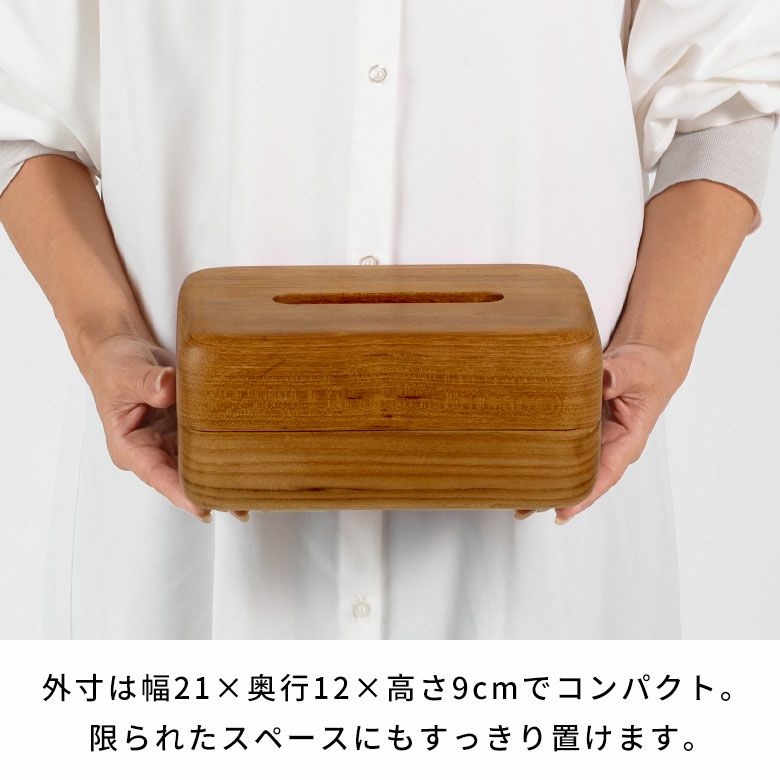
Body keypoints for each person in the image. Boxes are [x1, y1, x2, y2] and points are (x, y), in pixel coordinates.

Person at [0, 1, 778, 639]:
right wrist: (104, 336)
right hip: (188, 511)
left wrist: (656, 343)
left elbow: (725, 92)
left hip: (551, 519)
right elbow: (20, 103)